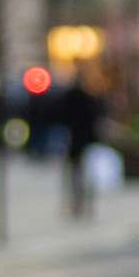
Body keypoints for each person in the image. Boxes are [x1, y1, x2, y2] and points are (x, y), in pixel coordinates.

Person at [57, 67, 105, 219]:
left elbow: (60, 115)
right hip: (86, 141)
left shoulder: (69, 97)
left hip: (74, 141)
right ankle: (85, 205)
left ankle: (77, 204)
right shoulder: (89, 98)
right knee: (84, 174)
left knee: (75, 175)